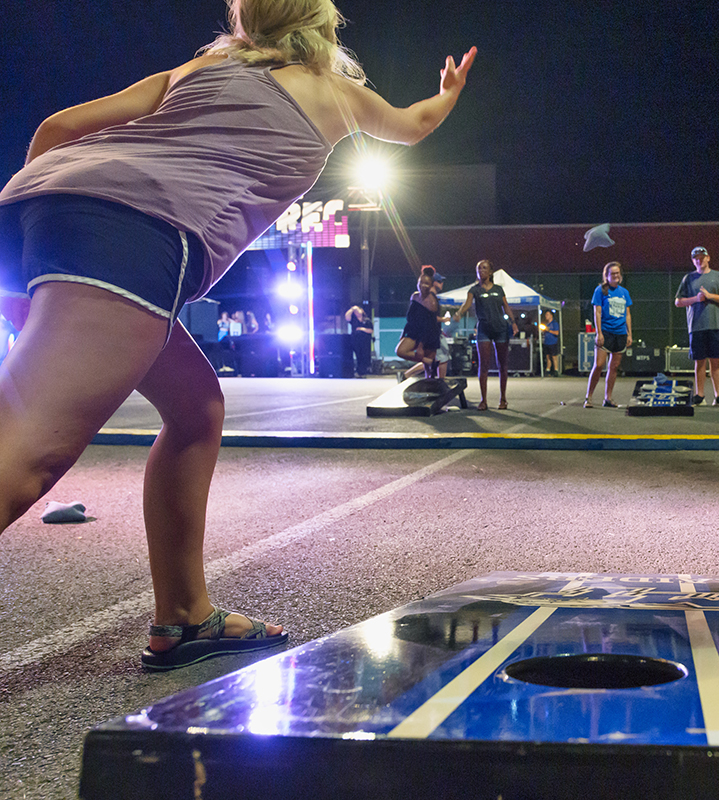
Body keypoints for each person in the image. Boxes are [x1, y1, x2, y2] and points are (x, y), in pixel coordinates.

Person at [0, 0, 476, 670]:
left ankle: (184, 615)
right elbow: (414, 124)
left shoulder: (201, 68)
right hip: (130, 233)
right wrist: (448, 93)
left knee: (196, 409)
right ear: (321, 25)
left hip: (32, 211)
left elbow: (57, 127)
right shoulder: (337, 92)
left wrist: (49, 227)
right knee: (31, 448)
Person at [452, 259, 517, 410]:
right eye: (479, 268)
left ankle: (503, 398)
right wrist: (459, 313)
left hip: (500, 329)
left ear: (490, 272)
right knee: (483, 365)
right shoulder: (474, 290)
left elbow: (506, 306)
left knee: (502, 364)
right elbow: (467, 304)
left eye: (484, 268)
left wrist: (513, 322)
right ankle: (483, 400)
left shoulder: (498, 289)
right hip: (483, 330)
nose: (481, 270)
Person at [674, 246, 719, 407]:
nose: (699, 260)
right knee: (699, 362)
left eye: (702, 257)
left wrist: (710, 296)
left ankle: (718, 396)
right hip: (696, 326)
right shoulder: (688, 278)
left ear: (708, 258)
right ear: (693, 261)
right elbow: (678, 302)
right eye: (696, 258)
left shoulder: (718, 276)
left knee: (715, 361)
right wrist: (696, 299)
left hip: (715, 325)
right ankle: (699, 395)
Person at [584, 262, 632, 408]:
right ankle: (589, 397)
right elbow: (597, 312)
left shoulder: (624, 292)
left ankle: (608, 398)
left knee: (614, 367)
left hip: (620, 334)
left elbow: (627, 314)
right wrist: (599, 333)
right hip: (606, 333)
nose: (616, 276)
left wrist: (629, 334)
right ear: (607, 276)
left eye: (617, 273)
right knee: (599, 365)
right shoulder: (600, 291)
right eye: (613, 273)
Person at [404, 269, 452, 380]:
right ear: (433, 283)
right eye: (440, 282)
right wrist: (443, 319)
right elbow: (429, 319)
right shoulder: (431, 296)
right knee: (441, 358)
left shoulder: (431, 296)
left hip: (429, 332)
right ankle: (440, 381)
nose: (442, 284)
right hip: (431, 332)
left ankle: (429, 380)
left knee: (429, 362)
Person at [396, 267, 442, 377]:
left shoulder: (432, 302)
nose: (423, 285)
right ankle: (429, 361)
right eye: (421, 282)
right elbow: (410, 318)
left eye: (427, 283)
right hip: (414, 332)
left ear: (431, 285)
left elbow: (429, 326)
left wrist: (421, 346)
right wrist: (404, 333)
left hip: (429, 335)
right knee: (400, 351)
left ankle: (430, 372)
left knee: (429, 372)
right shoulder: (414, 296)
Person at [345, 304, 374, 377]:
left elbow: (371, 330)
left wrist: (362, 329)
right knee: (359, 356)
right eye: (355, 312)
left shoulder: (367, 320)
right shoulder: (353, 320)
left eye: (358, 311)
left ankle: (363, 371)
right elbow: (347, 317)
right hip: (356, 341)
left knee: (365, 356)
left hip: (365, 342)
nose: (357, 313)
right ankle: (359, 371)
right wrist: (352, 309)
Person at [540, 309, 560, 375]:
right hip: (546, 342)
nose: (546, 316)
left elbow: (557, 333)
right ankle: (548, 369)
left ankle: (556, 370)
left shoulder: (554, 323)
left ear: (551, 315)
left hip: (553, 342)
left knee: (554, 356)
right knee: (547, 356)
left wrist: (549, 330)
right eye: (546, 315)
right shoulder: (546, 324)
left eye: (547, 314)